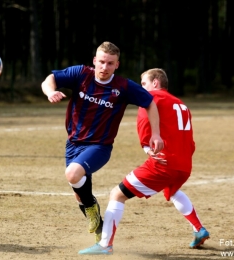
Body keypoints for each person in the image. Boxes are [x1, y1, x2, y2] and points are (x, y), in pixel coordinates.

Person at [41, 42, 164, 242]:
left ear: (117, 65)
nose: (104, 67)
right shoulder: (81, 74)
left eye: (110, 63)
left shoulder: (123, 86)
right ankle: (99, 229)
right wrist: (50, 92)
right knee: (79, 191)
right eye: (101, 62)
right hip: (73, 143)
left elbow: (149, 102)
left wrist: (155, 134)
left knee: (72, 174)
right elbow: (50, 79)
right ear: (94, 61)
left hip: (100, 146)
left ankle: (92, 210)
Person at [78, 68, 210, 255]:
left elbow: (143, 125)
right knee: (172, 191)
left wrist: (146, 148)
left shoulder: (150, 99)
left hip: (163, 164)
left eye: (144, 84)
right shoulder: (181, 104)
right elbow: (188, 139)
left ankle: (105, 245)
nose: (142, 89)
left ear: (155, 83)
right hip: (184, 164)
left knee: (117, 194)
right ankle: (199, 229)